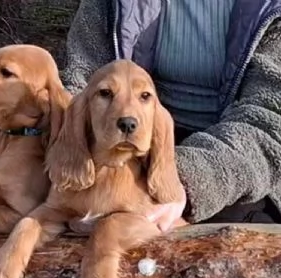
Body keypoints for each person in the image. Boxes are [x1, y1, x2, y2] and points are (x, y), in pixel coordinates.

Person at [62, 0, 281, 230]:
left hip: (234, 163)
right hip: (131, 146)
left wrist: (186, 180)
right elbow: (82, 82)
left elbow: (268, 119)